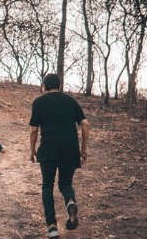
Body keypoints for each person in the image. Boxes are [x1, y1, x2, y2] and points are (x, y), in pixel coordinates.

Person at [28, 74, 90, 239]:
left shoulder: (39, 102)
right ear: (60, 86)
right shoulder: (70, 101)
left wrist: (32, 150)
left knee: (47, 187)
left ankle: (52, 227)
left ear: (44, 86)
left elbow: (34, 129)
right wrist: (83, 149)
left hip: (48, 148)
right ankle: (70, 202)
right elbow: (85, 124)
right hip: (69, 149)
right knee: (65, 184)